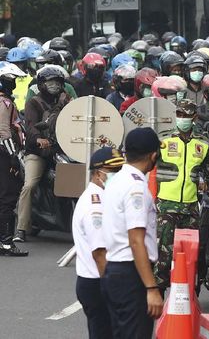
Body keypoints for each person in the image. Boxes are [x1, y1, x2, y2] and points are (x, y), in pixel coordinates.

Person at [101, 127, 162, 339]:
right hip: (131, 275)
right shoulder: (136, 188)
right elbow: (136, 241)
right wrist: (151, 287)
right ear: (153, 155)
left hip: (115, 270)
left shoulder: (115, 180)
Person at [154, 99, 209, 291]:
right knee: (163, 255)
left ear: (194, 117)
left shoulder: (202, 144)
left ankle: (190, 293)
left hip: (191, 208)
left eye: (186, 115)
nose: (181, 118)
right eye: (179, 114)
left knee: (192, 255)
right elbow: (147, 166)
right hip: (166, 205)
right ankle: (157, 294)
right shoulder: (164, 140)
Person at [14, 67, 71, 242]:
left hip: (61, 150)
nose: (54, 85)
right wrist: (38, 139)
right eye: (50, 82)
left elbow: (77, 119)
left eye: (58, 82)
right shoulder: (34, 102)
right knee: (30, 185)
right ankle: (21, 229)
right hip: (38, 152)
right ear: (41, 84)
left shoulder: (67, 100)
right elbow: (30, 125)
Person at [73, 148, 124, 339]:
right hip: (98, 282)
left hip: (101, 280)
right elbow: (100, 253)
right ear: (97, 173)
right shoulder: (94, 205)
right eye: (113, 171)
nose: (117, 175)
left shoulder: (105, 197)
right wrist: (113, 289)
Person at [0, 68, 27, 256]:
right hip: (4, 154)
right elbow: (4, 132)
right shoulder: (5, 102)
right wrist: (13, 158)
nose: (15, 83)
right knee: (8, 197)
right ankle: (7, 243)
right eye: (12, 80)